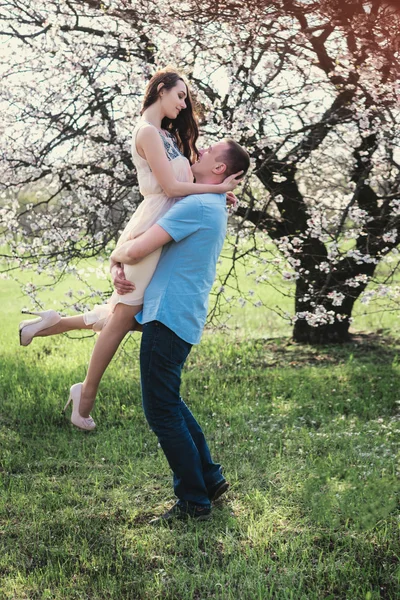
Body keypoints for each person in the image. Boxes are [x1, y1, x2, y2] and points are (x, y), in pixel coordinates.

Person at [18, 68, 241, 431]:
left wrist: (214, 189)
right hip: (153, 222)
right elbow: (169, 187)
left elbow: (184, 180)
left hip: (164, 228)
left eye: (185, 99)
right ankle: (84, 399)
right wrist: (214, 190)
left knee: (134, 315)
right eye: (180, 95)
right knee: (125, 316)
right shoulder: (148, 132)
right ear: (161, 89)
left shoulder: (168, 135)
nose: (183, 104)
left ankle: (52, 323)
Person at [111, 138, 250, 523]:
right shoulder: (211, 202)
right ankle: (209, 478)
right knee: (168, 401)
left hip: (169, 315)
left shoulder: (199, 204)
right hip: (178, 313)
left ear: (219, 170)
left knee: (160, 410)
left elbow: (138, 250)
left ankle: (193, 501)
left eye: (208, 153)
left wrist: (117, 254)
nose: (200, 152)